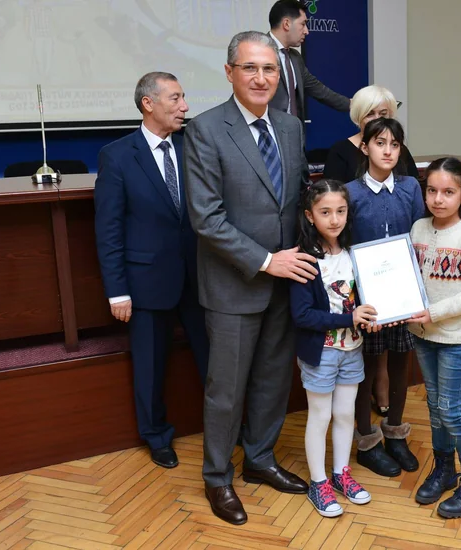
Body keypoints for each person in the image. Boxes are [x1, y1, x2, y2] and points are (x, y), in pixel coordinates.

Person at [183, 31, 316, 526]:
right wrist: (267, 260)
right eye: (250, 68)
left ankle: (259, 460)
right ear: (229, 72)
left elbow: (296, 198)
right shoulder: (205, 130)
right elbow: (206, 218)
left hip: (290, 280)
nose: (262, 78)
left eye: (269, 70)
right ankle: (218, 477)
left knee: (272, 380)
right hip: (236, 282)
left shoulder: (289, 126)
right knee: (227, 388)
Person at [94, 71, 209, 469]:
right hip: (146, 282)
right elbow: (108, 229)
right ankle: (157, 436)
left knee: (213, 360)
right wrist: (117, 290)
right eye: (175, 99)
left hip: (198, 278)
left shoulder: (193, 147)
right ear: (149, 103)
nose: (185, 107)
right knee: (151, 366)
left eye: (183, 98)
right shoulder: (118, 155)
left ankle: (226, 428)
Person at [407, 157, 461, 518]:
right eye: (432, 190)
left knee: (451, 409)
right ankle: (445, 469)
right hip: (422, 334)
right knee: (434, 405)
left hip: (457, 337)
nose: (438, 199)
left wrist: (437, 313)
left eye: (448, 192)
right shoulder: (417, 228)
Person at [290, 179, 376, 517]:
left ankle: (342, 474)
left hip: (352, 350)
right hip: (320, 352)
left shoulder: (355, 253)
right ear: (310, 216)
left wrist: (371, 315)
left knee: (345, 414)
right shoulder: (303, 259)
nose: (334, 219)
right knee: (321, 415)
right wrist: (350, 318)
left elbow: (364, 300)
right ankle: (318, 482)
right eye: (325, 212)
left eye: (340, 211)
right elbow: (302, 315)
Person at [347, 117, 425, 477]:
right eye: (380, 143)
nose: (388, 151)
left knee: (400, 362)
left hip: (403, 294)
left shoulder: (410, 187)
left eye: (395, 144)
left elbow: (416, 236)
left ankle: (395, 432)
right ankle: (366, 439)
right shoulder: (350, 192)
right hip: (368, 299)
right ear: (365, 148)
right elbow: (344, 243)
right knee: (364, 368)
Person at [268, 0, 350, 121]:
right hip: (266, 134)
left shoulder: (295, 57)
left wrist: (354, 105)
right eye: (303, 24)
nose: (307, 31)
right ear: (286, 24)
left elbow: (319, 90)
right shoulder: (258, 51)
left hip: (294, 133)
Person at [324, 85, 419, 183]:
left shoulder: (398, 148)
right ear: (358, 116)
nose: (377, 119)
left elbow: (412, 185)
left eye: (383, 114)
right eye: (370, 114)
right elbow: (332, 193)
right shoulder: (340, 151)